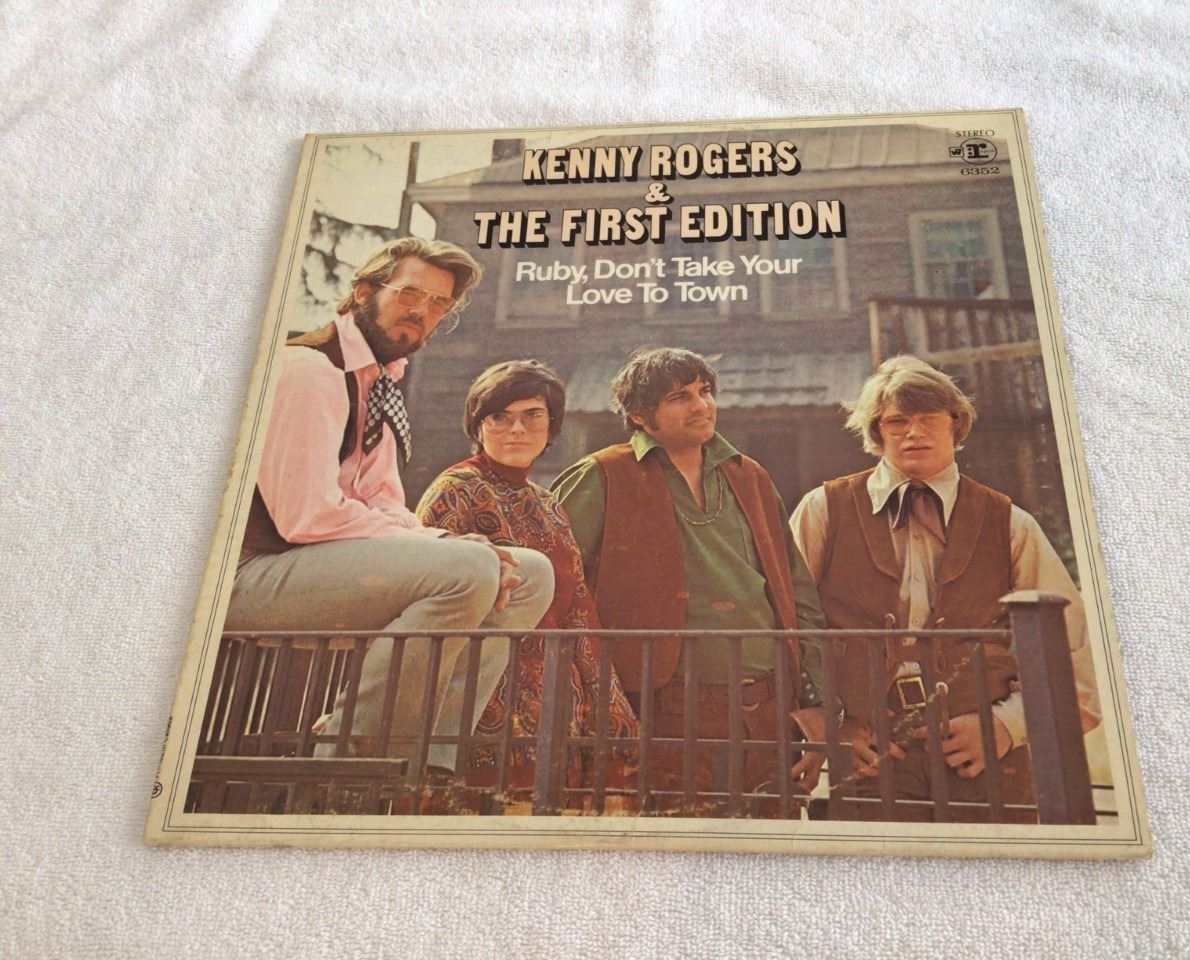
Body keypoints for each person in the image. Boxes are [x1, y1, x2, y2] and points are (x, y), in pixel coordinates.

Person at [225, 237, 554, 783]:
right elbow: (306, 516)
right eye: (409, 293)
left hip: (314, 573)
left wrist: (450, 545)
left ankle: (430, 762)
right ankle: (348, 758)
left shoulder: (379, 384)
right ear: (363, 293)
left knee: (529, 573)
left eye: (438, 303)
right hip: (248, 574)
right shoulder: (311, 369)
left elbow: (383, 503)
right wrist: (448, 547)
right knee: (467, 568)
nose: (422, 311)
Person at [789, 354, 1100, 821]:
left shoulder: (1010, 523)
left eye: (930, 418)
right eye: (897, 421)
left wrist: (1007, 726)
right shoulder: (823, 510)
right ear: (877, 432)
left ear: (955, 424)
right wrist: (827, 725)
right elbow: (782, 627)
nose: (914, 432)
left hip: (984, 762)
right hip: (865, 760)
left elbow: (1073, 650)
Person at [551, 347, 827, 816]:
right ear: (640, 415)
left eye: (705, 392)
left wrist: (816, 702)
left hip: (768, 711)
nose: (701, 405)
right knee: (673, 847)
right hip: (658, 711)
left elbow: (796, 592)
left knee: (768, 847)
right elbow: (557, 591)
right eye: (680, 397)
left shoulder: (750, 475)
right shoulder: (602, 474)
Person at [415, 360, 639, 807]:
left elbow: (578, 607)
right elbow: (420, 593)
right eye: (500, 416)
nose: (517, 429)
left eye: (533, 415)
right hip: (476, 700)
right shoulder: (455, 489)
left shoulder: (548, 504)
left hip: (556, 703)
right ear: (478, 425)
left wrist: (609, 713)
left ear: (551, 426)